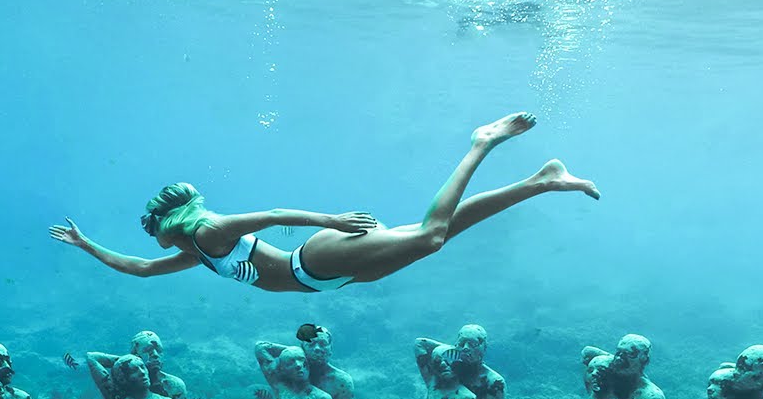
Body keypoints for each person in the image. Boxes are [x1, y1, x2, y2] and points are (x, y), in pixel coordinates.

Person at [48, 113, 598, 292]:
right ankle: (541, 181)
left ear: (170, 223)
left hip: (314, 259)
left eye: (155, 231)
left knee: (430, 235)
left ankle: (482, 142)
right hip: (327, 278)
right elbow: (140, 269)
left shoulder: (208, 232)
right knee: (439, 234)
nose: (155, 242)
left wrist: (328, 218)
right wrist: (84, 243)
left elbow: (271, 216)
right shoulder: (194, 252)